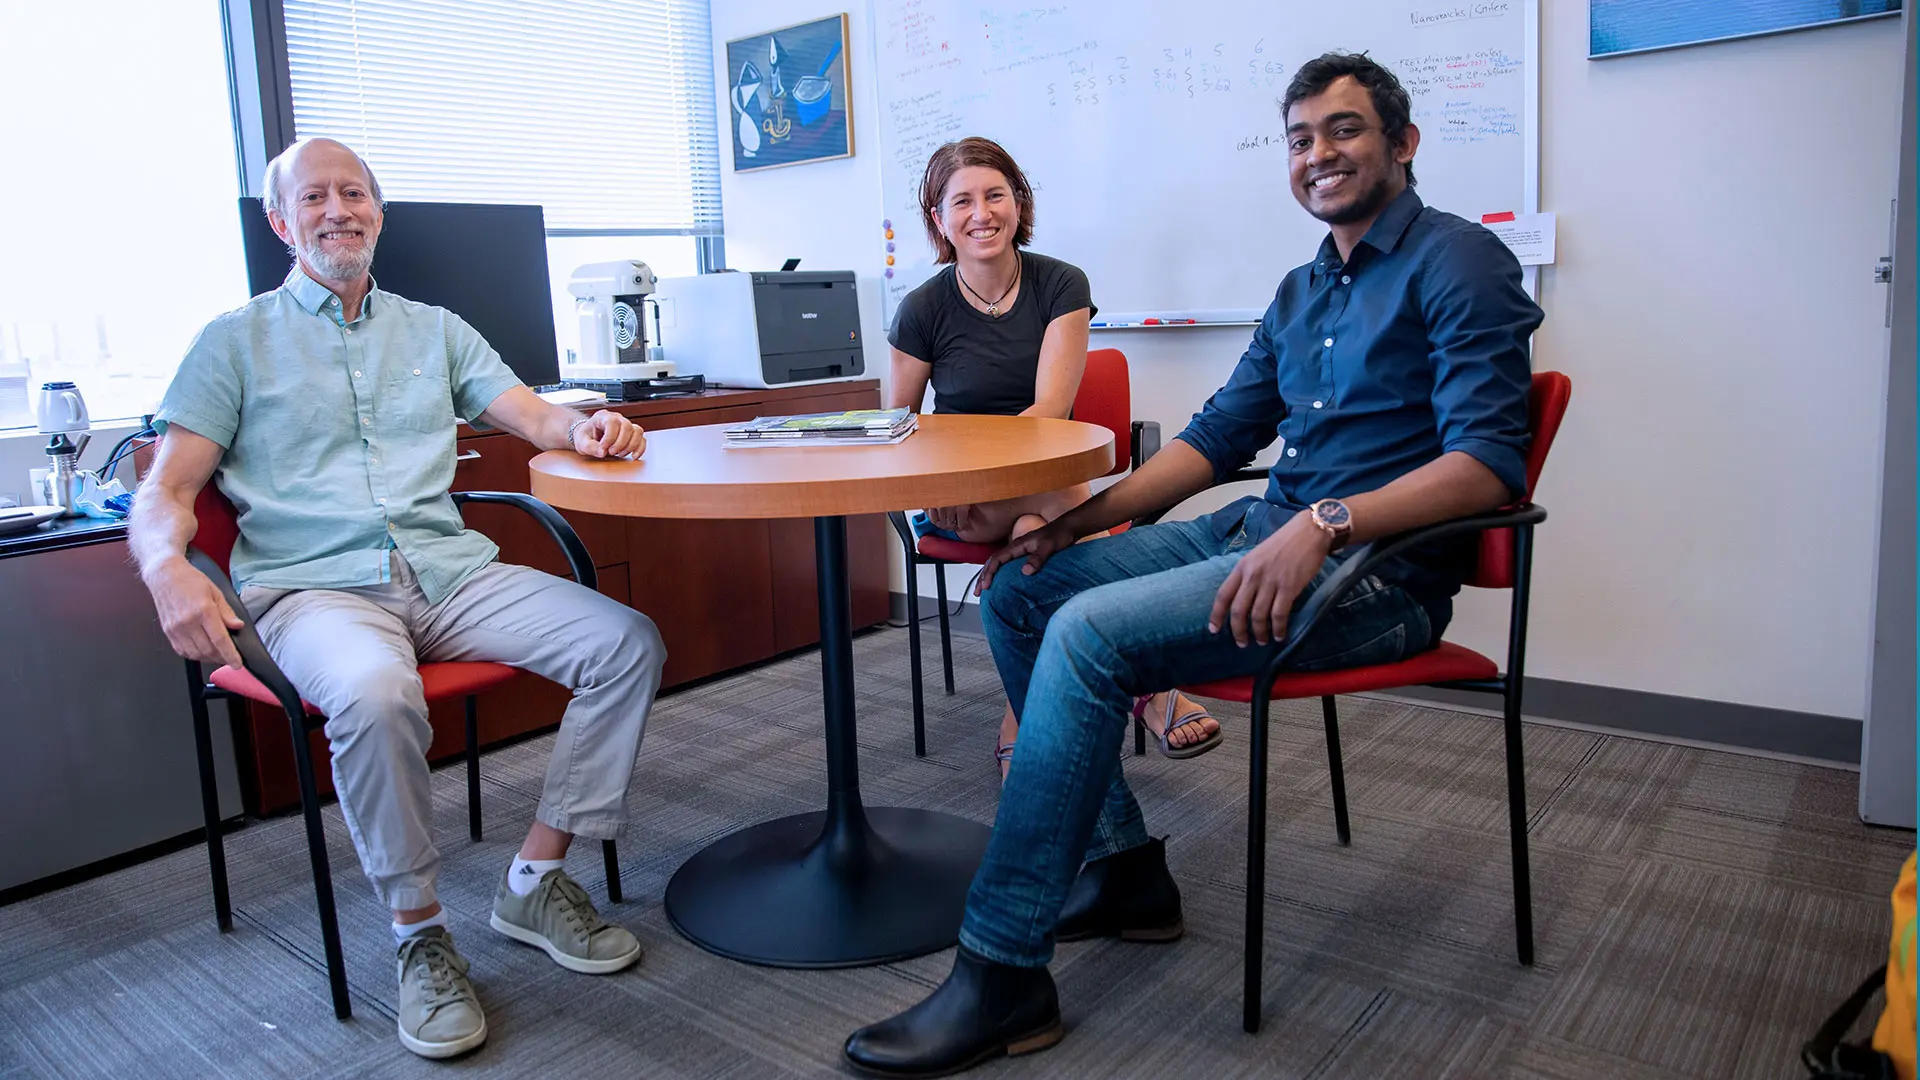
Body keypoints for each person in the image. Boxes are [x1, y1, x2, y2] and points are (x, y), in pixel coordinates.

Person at [843, 51, 1542, 1077]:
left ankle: (1001, 972)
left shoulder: (1459, 262)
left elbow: (1488, 464)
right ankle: (1125, 869)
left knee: (1086, 637)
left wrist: (1328, 524)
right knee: (1031, 592)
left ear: (1402, 143)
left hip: (1373, 577)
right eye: (1300, 139)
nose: (1318, 155)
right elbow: (1214, 440)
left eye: (1343, 131)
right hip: (1267, 532)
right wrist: (1077, 524)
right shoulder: (1303, 291)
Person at [130, 138, 666, 1061]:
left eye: (355, 194)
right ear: (280, 222)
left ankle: (535, 878)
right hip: (314, 589)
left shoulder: (434, 329)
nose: (338, 210)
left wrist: (592, 426)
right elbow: (165, 494)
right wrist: (164, 568)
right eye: (315, 197)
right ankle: (420, 933)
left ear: (378, 212)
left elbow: (534, 416)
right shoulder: (233, 341)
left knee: (626, 642)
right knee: (379, 697)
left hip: (447, 572)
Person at [886, 135, 1221, 771]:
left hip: (1038, 481)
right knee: (1057, 522)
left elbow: (1048, 415)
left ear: (1019, 202)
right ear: (939, 219)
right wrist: (942, 488)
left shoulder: (1061, 284)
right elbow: (898, 424)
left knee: (1037, 530)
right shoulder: (922, 308)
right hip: (959, 497)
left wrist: (996, 486)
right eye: (962, 201)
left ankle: (1024, 710)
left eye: (995, 195)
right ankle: (1147, 685)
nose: (981, 213)